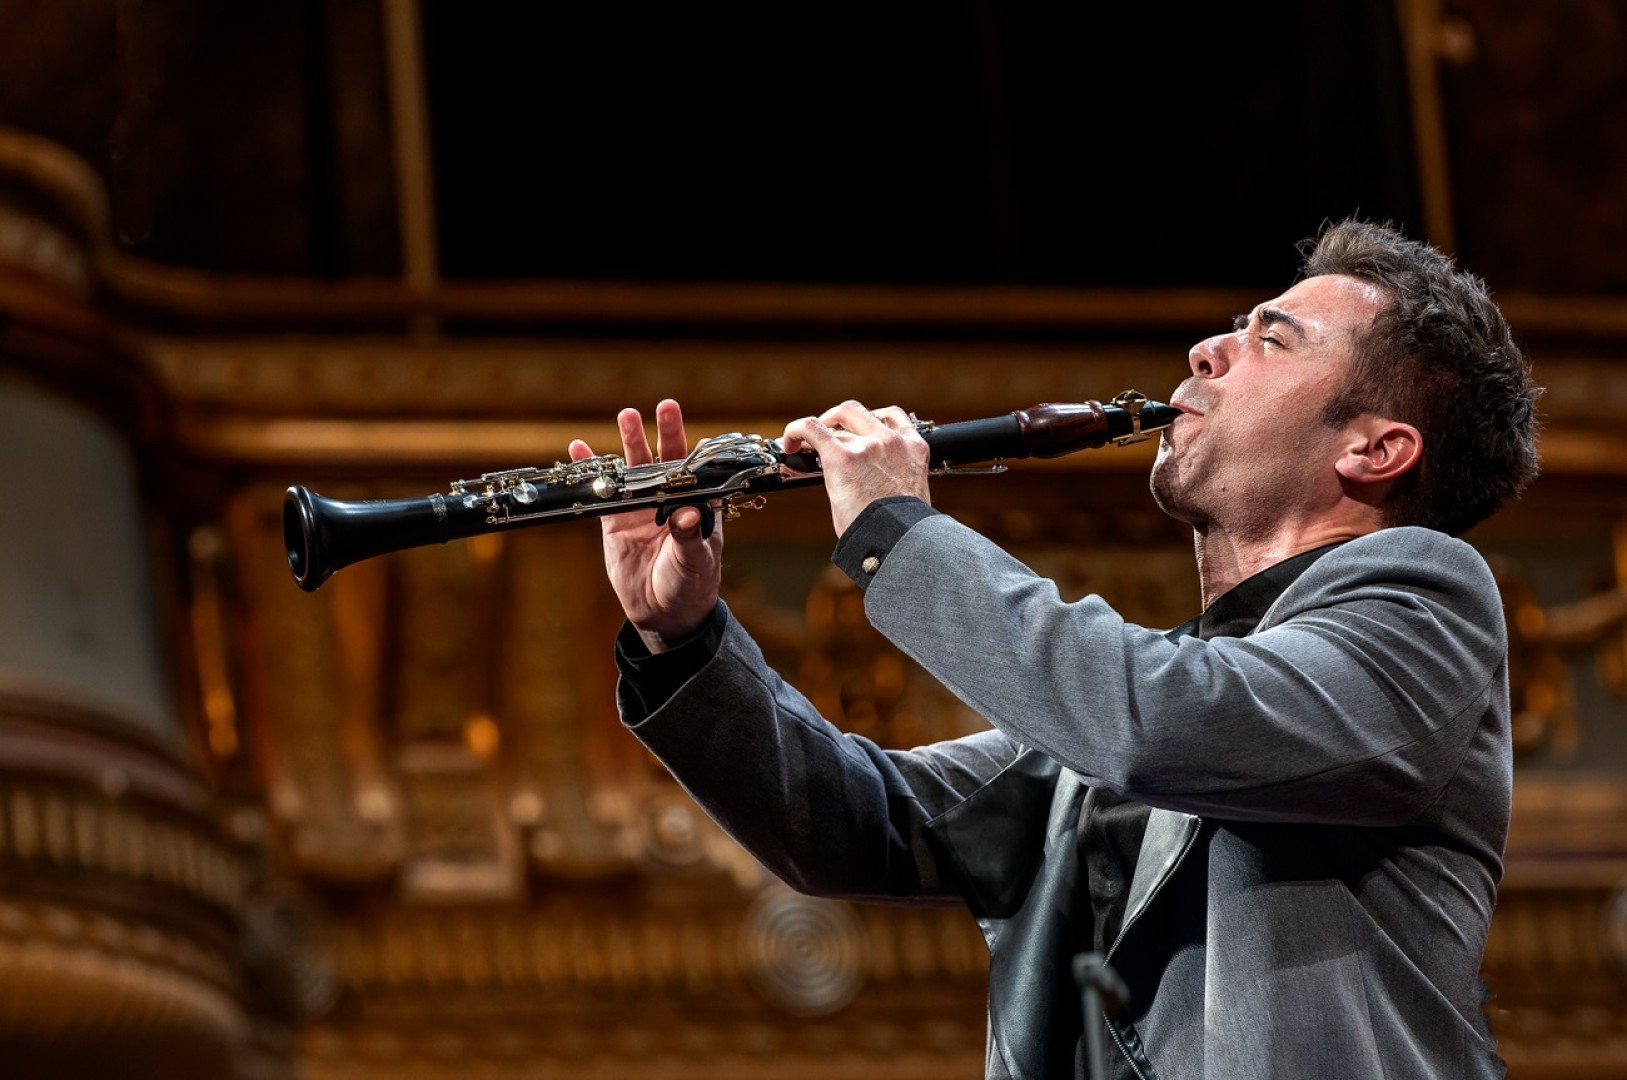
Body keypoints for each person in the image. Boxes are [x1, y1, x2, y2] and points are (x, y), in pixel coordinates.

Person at [569, 219, 1541, 1079]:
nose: (1206, 351)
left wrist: (896, 529)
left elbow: (1159, 720)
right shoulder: (1146, 698)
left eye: (1269, 338)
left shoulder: (1425, 604)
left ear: (1373, 449)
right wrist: (681, 637)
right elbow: (856, 821)